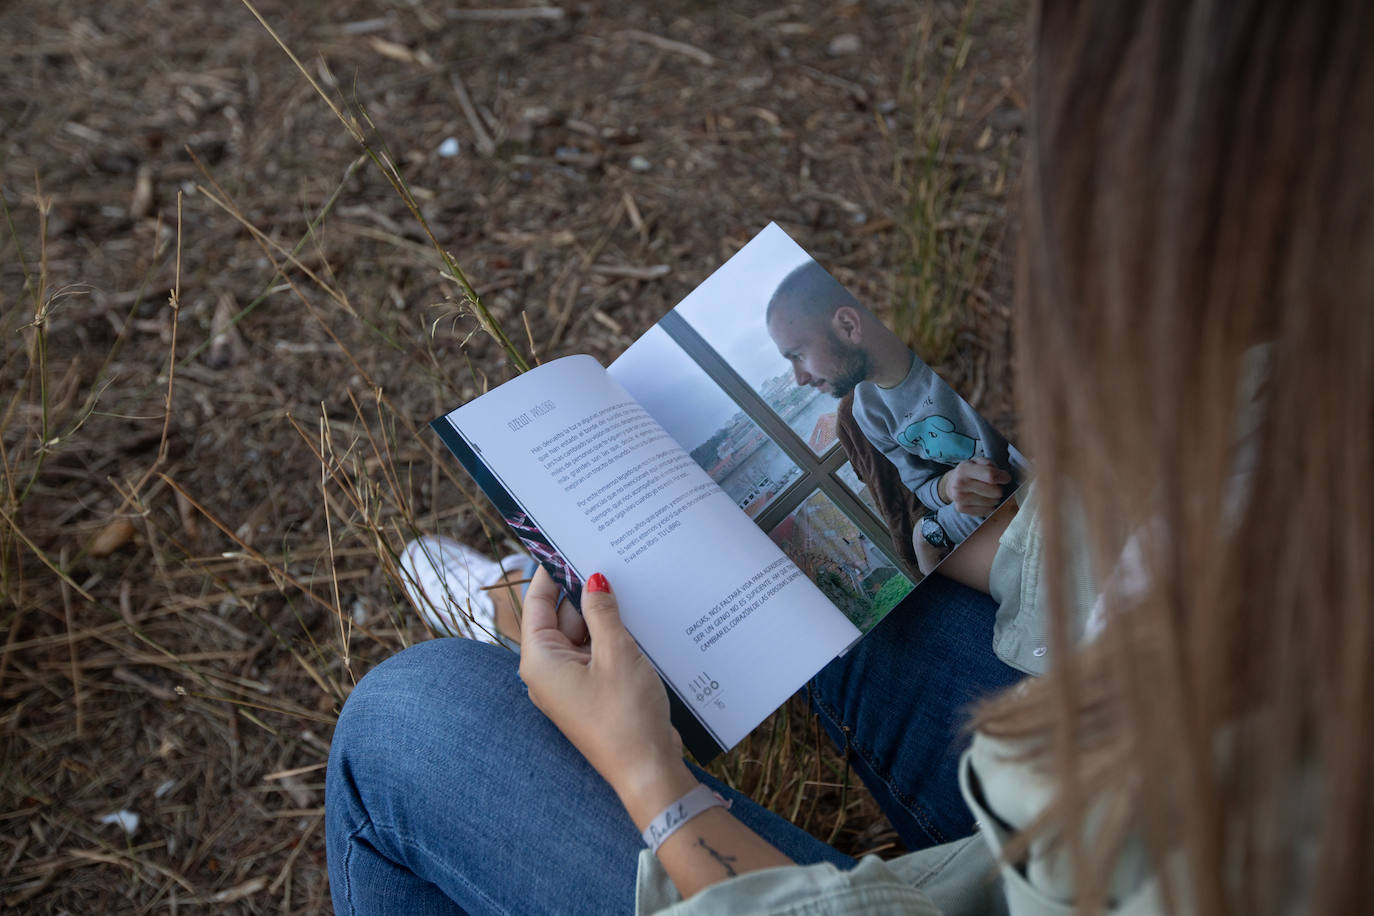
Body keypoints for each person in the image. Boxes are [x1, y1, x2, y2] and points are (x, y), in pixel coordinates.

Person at [326, 1, 1374, 913]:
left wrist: (652, 782)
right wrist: (983, 537)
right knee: (839, 585)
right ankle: (566, 609)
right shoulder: (1317, 403)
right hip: (1102, 792)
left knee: (406, 723)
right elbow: (1182, 558)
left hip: (1100, 844)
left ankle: (542, 646)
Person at [765, 263, 1028, 549]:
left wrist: (934, 532)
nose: (799, 379)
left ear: (848, 326)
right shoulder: (867, 414)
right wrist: (951, 484)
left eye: (798, 355)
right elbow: (923, 487)